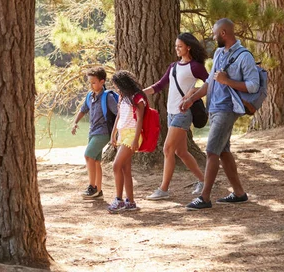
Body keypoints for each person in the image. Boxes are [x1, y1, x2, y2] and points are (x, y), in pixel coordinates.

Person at [180, 18, 259, 210]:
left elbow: (253, 85)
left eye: (215, 34)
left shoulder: (244, 56)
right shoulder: (218, 53)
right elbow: (210, 82)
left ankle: (205, 197)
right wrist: (193, 98)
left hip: (228, 109)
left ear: (224, 33)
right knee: (223, 151)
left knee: (211, 150)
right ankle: (239, 193)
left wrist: (227, 81)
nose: (213, 37)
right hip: (214, 107)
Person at [143, 33, 209, 200]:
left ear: (189, 47)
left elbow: (211, 84)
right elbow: (159, 86)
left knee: (167, 149)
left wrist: (193, 92)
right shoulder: (173, 66)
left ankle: (163, 189)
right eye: (175, 46)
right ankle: (204, 181)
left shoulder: (195, 66)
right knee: (181, 151)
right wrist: (139, 93)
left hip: (183, 113)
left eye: (180, 46)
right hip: (171, 112)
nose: (177, 49)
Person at [72, 67, 118, 199]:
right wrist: (75, 122)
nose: (91, 85)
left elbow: (118, 113)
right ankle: (98, 191)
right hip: (92, 132)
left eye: (94, 82)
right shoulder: (89, 96)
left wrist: (116, 132)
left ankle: (91, 187)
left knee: (88, 155)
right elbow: (83, 110)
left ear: (102, 81)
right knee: (96, 161)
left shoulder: (107, 97)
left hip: (103, 132)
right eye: (90, 82)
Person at [107, 70, 146, 213]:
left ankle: (119, 200)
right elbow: (119, 116)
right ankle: (131, 202)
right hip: (122, 134)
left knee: (116, 165)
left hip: (132, 135)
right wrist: (114, 134)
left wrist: (136, 139)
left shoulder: (137, 97)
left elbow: (140, 119)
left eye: (117, 85)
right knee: (125, 169)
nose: (116, 88)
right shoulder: (122, 97)